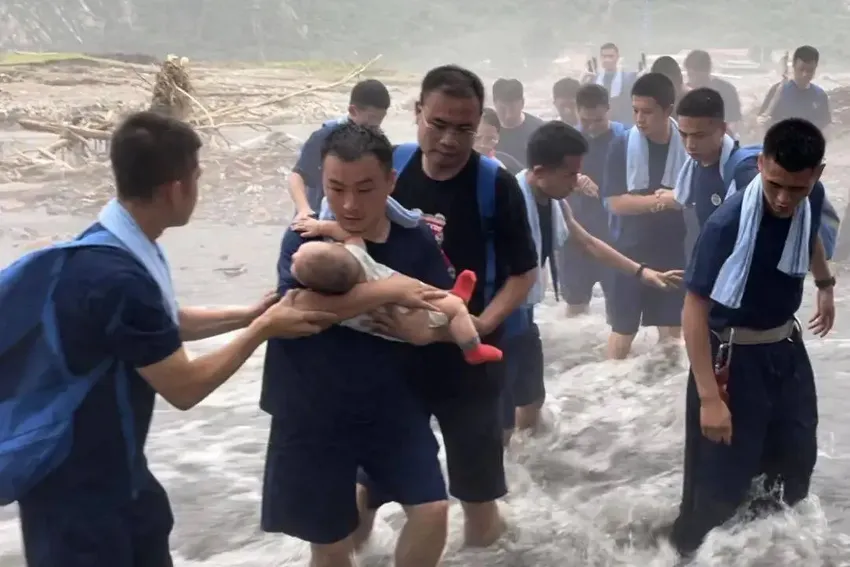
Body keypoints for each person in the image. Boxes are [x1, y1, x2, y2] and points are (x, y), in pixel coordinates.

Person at [4, 111, 336, 567]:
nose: (199, 187)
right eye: (196, 177)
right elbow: (184, 387)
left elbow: (161, 324)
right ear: (175, 188)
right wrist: (264, 330)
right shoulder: (117, 276)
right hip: (79, 498)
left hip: (120, 479)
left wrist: (248, 314)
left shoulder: (113, 241)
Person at [356, 64, 539, 549]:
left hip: (468, 361)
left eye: (464, 128)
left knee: (477, 494)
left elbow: (524, 273)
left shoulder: (495, 184)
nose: (450, 140)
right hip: (392, 358)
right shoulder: (389, 169)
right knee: (366, 488)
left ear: (479, 125)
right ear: (417, 113)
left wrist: (482, 323)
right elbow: (352, 246)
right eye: (438, 124)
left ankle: (486, 557)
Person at [261, 123, 455, 567]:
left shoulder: (415, 239)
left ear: (391, 183)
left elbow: (444, 308)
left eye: (365, 189)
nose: (349, 204)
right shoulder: (307, 239)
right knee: (331, 545)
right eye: (336, 188)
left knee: (433, 511)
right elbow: (302, 306)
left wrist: (430, 331)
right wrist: (390, 290)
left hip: (393, 408)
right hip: (313, 412)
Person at [670, 118, 835, 557]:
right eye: (775, 183)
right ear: (761, 163)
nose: (784, 199)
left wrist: (824, 284)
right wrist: (709, 397)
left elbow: (811, 231)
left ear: (816, 174)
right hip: (730, 362)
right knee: (718, 491)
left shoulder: (811, 196)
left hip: (786, 353)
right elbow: (693, 308)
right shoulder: (726, 225)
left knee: (792, 472)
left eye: (796, 188)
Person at [504, 120, 683, 442]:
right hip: (500, 318)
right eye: (569, 174)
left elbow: (587, 242)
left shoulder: (553, 200)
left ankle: (519, 478)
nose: (576, 183)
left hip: (524, 319)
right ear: (541, 171)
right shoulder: (509, 199)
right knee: (500, 412)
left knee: (531, 404)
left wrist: (642, 272)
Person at [287, 218, 503, 364]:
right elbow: (349, 236)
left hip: (396, 332)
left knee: (444, 307)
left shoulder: (337, 307)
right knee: (454, 311)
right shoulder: (357, 257)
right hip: (414, 314)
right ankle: (472, 349)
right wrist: (322, 226)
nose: (294, 255)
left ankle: (454, 298)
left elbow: (305, 308)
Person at [675, 88, 841, 258]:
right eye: (684, 135)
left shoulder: (744, 173)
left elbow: (791, 226)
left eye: (699, 136)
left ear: (722, 129)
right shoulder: (693, 167)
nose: (690, 145)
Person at [602, 73, 688, 360]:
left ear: (668, 110)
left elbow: (695, 198)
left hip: (673, 251)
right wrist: (663, 200)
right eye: (635, 111)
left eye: (648, 112)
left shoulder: (688, 146)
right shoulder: (622, 145)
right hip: (629, 252)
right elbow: (615, 202)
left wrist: (678, 200)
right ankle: (611, 395)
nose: (640, 119)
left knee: (672, 339)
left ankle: (661, 401)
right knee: (623, 332)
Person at [558, 83, 624, 316]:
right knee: (575, 308)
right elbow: (546, 183)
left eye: (598, 120)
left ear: (608, 109)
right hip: (574, 235)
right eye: (586, 120)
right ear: (577, 111)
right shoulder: (566, 142)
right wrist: (572, 180)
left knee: (618, 310)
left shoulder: (624, 140)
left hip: (613, 236)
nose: (592, 127)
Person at [287, 79, 391, 219]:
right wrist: (304, 210)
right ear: (353, 111)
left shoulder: (376, 141)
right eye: (371, 117)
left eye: (381, 118)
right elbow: (296, 177)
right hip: (317, 217)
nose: (376, 124)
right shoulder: (326, 137)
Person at [758, 45, 831, 133]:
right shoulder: (778, 91)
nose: (805, 74)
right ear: (793, 65)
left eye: (810, 70)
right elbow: (762, 121)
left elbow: (825, 126)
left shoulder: (820, 96)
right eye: (801, 69)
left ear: (815, 68)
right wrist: (763, 123)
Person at [683, 50, 743, 135]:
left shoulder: (726, 90)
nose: (692, 79)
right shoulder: (685, 93)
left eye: (695, 74)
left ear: (707, 71)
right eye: (690, 74)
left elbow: (734, 121)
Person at [492, 77, 545, 172]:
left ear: (522, 103)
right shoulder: (486, 131)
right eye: (502, 109)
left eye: (512, 108)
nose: (508, 115)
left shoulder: (539, 130)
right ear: (494, 103)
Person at [586, 42, 637, 125]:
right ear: (600, 58)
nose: (607, 60)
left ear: (617, 57)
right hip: (600, 122)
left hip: (624, 122)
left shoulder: (629, 78)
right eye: (604, 56)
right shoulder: (593, 78)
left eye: (610, 56)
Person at [474, 107, 523, 172]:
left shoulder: (502, 169)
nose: (482, 145)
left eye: (490, 139)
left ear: (498, 138)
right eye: (477, 138)